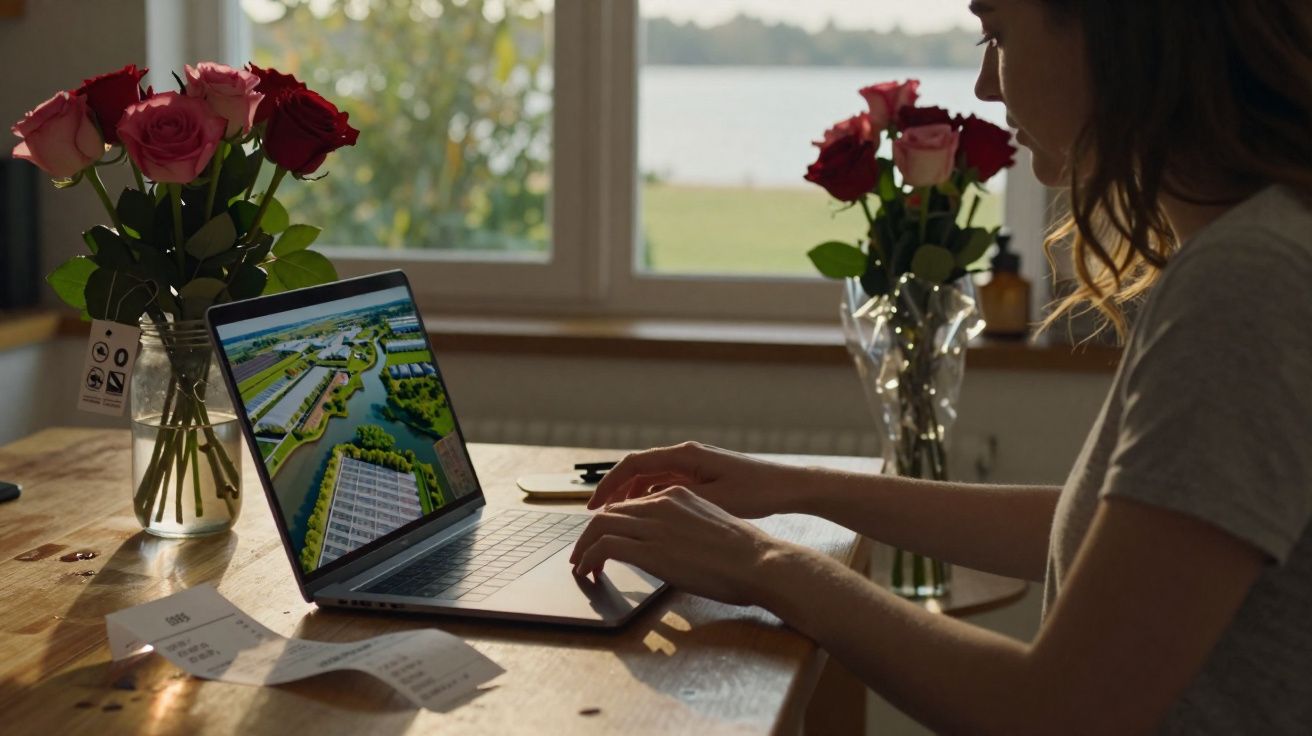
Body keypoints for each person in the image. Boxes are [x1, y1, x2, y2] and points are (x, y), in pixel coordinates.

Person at [569, 1, 1312, 733]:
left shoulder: (1249, 282)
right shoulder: (1255, 254)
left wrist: (763, 562)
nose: (987, 85)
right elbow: (1112, 538)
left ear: (1115, 28)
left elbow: (1057, 712)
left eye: (998, 34)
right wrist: (792, 487)